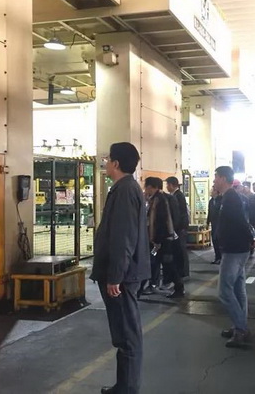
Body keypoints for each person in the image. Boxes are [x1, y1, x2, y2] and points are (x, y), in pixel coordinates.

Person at [90, 142, 150, 394]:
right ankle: (124, 386)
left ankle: (127, 388)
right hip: (124, 274)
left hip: (122, 277)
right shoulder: (125, 188)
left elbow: (123, 237)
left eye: (107, 159)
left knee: (127, 334)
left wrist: (115, 276)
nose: (104, 162)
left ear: (116, 163)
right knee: (124, 333)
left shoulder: (125, 190)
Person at [214, 166, 255, 348]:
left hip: (234, 250)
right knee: (238, 289)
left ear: (223, 178)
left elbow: (241, 221)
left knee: (224, 291)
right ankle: (239, 325)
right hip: (236, 248)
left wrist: (252, 238)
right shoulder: (228, 197)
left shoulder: (231, 198)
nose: (214, 180)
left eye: (216, 177)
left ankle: (241, 328)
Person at [144, 177, 185, 299]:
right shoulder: (160, 198)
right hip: (164, 239)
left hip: (163, 240)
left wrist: (157, 240)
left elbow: (162, 221)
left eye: (147, 187)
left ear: (152, 187)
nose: (146, 190)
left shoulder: (159, 200)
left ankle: (177, 287)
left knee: (167, 264)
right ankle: (152, 285)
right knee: (157, 261)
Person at [165, 176, 190, 278]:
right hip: (179, 227)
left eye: (167, 185)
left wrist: (177, 227)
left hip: (180, 228)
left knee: (181, 249)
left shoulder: (178, 196)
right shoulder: (176, 195)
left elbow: (179, 213)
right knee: (179, 250)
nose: (166, 187)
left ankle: (183, 271)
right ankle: (181, 270)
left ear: (171, 185)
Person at [207, 186, 222, 264]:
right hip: (213, 223)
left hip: (220, 223)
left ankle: (221, 257)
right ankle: (217, 257)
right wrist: (207, 222)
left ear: (216, 191)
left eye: (213, 190)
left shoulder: (221, 200)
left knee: (219, 241)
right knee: (214, 240)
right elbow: (209, 212)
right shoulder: (211, 201)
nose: (211, 192)